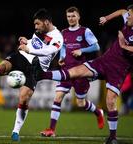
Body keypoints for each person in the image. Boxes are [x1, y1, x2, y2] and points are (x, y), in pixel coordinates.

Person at [33, 4, 133, 144]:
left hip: (118, 70)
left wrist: (124, 46)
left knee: (109, 101)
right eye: (68, 16)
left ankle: (112, 137)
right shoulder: (128, 20)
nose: (127, 17)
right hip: (104, 61)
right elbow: (122, 11)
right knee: (73, 76)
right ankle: (41, 75)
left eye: (130, 15)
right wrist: (107, 18)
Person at [0, 8, 63, 141]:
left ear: (46, 22)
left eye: (37, 23)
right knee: (3, 66)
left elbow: (48, 51)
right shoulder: (39, 30)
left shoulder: (57, 37)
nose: (35, 26)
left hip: (36, 67)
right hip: (22, 56)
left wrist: (29, 48)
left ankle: (15, 132)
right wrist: (27, 41)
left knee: (24, 98)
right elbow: (35, 43)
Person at [38, 6, 104, 137]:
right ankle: (51, 129)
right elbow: (63, 46)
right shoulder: (63, 32)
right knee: (58, 97)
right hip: (66, 71)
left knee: (81, 103)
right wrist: (62, 57)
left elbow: (96, 46)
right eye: (68, 16)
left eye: (73, 16)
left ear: (78, 17)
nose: (71, 19)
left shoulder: (85, 31)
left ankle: (98, 112)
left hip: (81, 72)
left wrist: (82, 51)